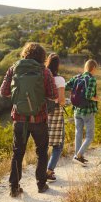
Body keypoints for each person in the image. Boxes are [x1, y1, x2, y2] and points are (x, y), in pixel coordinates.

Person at [0, 43, 58, 197]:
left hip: (19, 119)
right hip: (39, 120)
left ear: (24, 54)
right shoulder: (45, 72)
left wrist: (19, 98)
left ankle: (14, 187)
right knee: (42, 153)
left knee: (17, 153)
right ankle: (41, 184)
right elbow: (53, 95)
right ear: (42, 56)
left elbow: (3, 92)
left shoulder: (14, 69)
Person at [65, 59, 99, 166]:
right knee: (90, 136)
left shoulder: (77, 77)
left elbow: (65, 86)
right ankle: (78, 155)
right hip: (88, 111)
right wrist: (97, 98)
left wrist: (74, 91)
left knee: (78, 133)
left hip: (76, 109)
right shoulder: (92, 79)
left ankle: (78, 155)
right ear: (93, 68)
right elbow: (88, 96)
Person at [45, 53, 66, 182]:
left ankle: (42, 169)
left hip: (43, 112)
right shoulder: (59, 80)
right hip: (56, 113)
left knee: (44, 143)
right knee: (58, 144)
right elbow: (62, 100)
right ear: (58, 65)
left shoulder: (43, 77)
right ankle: (49, 170)